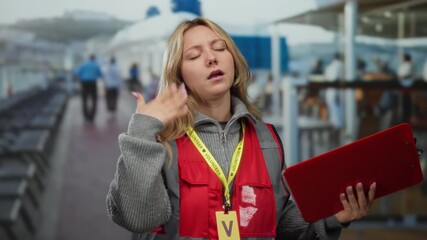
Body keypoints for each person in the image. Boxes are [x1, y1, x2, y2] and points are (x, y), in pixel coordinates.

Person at [106, 17, 376, 240]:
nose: (211, 58)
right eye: (195, 55)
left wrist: (332, 217)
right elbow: (137, 218)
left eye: (220, 48)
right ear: (179, 77)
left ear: (233, 63)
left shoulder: (266, 138)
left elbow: (279, 223)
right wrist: (141, 131)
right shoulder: (160, 141)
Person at [74, 54, 103, 122]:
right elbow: (100, 75)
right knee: (94, 100)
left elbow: (77, 73)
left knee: (84, 100)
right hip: (93, 83)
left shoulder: (83, 64)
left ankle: (86, 116)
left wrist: (82, 77)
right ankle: (92, 116)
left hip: (84, 83)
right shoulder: (96, 65)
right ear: (94, 58)